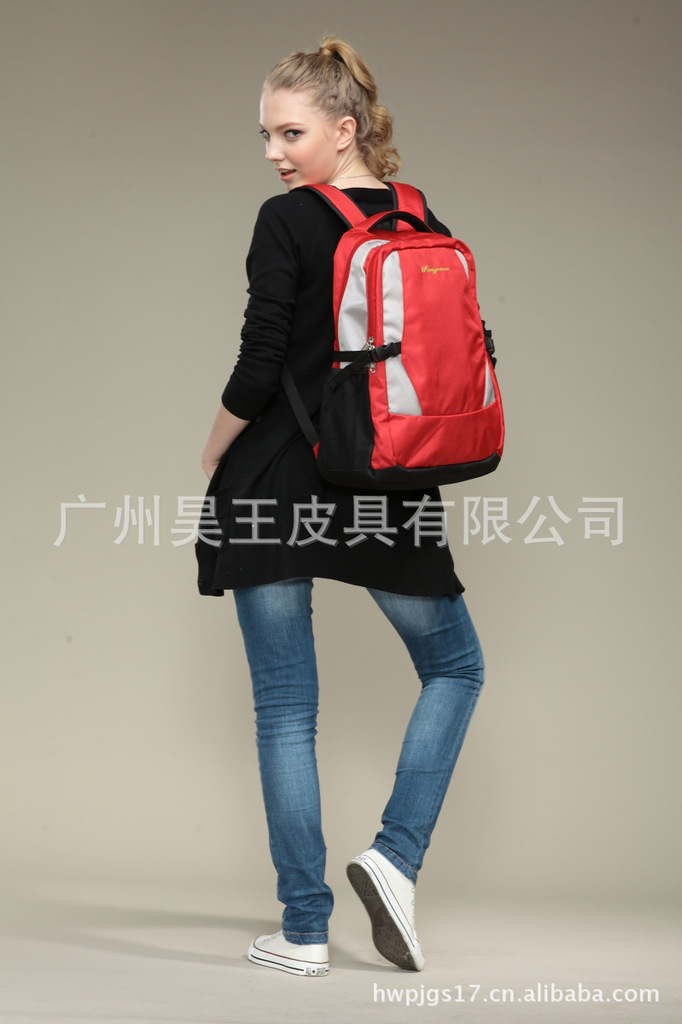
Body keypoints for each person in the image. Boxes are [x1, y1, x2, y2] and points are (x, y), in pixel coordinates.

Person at [198, 37, 486, 977]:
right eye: (266, 135)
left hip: (275, 477)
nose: (274, 153)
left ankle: (305, 929)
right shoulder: (419, 217)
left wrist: (212, 454)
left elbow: (259, 363)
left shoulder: (285, 221)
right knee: (455, 667)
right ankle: (395, 859)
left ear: (346, 128)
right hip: (388, 475)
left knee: (286, 710)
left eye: (291, 132)